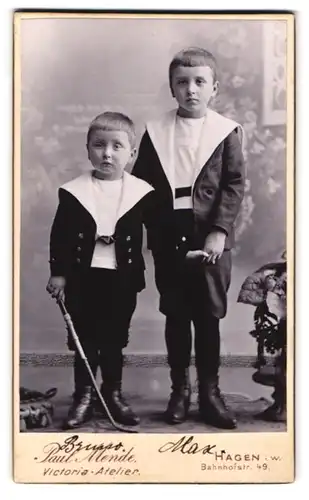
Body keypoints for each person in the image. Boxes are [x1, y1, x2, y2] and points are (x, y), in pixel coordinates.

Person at [132, 47, 245, 429]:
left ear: (214, 87)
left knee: (208, 316)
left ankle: (210, 393)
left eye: (199, 82)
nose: (191, 90)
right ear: (172, 88)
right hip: (170, 233)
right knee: (176, 313)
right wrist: (155, 232)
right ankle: (179, 389)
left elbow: (233, 185)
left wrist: (218, 231)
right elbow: (143, 186)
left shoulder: (226, 131)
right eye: (182, 82)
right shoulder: (156, 130)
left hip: (210, 232)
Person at [46, 111, 155, 429]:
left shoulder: (141, 193)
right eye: (99, 145)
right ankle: (84, 395)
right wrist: (59, 272)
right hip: (83, 277)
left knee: (113, 339)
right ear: (88, 149)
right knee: (84, 338)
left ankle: (113, 393)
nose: (107, 153)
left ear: (131, 153)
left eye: (117, 146)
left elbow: (159, 229)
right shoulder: (73, 192)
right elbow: (60, 235)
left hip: (122, 278)